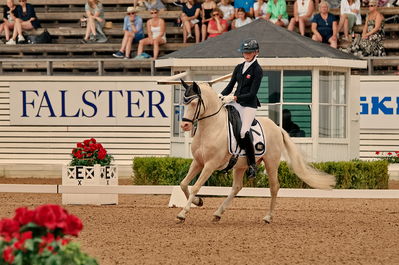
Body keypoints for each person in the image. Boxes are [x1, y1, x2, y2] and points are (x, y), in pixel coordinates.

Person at [219, 39, 263, 179]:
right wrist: (221, 95)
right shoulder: (239, 67)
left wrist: (235, 98)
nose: (246, 54)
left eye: (249, 52)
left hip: (249, 104)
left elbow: (252, 93)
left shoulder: (257, 70)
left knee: (244, 131)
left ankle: (252, 165)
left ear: (256, 52)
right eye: (245, 52)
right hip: (235, 101)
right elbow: (230, 86)